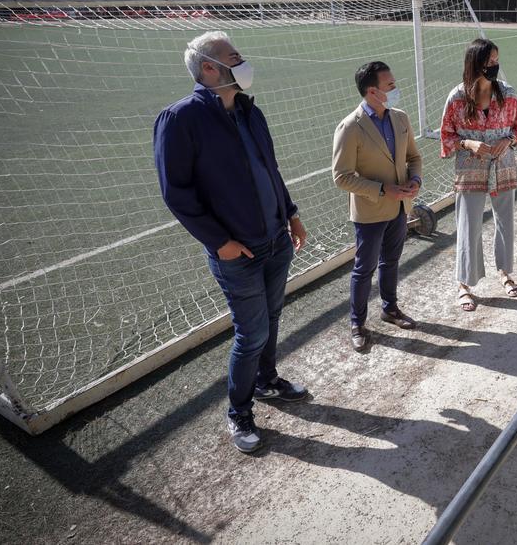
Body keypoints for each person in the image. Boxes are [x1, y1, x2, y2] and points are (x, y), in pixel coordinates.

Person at [154, 30, 310, 454]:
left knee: (271, 317)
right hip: (235, 251)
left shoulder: (247, 110)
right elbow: (176, 193)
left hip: (276, 239)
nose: (244, 62)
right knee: (251, 330)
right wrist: (219, 241)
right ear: (209, 68)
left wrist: (291, 213)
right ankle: (239, 412)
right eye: (234, 56)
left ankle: (266, 381)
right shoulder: (181, 119)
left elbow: (270, 169)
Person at [332, 61, 424, 351]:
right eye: (391, 86)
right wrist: (383, 189)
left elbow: (414, 158)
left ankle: (390, 309)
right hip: (370, 212)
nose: (396, 89)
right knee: (364, 269)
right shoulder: (350, 127)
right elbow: (341, 177)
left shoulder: (400, 118)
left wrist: (416, 179)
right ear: (372, 91)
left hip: (399, 209)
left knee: (391, 262)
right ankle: (357, 323)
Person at [439, 39, 517, 311]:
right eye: (489, 62)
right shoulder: (456, 98)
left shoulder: (509, 94)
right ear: (474, 64)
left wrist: (510, 140)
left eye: (496, 61)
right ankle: (464, 284)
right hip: (470, 169)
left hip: (503, 166)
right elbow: (446, 136)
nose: (494, 66)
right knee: (469, 225)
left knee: (505, 221)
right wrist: (468, 143)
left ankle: (505, 272)